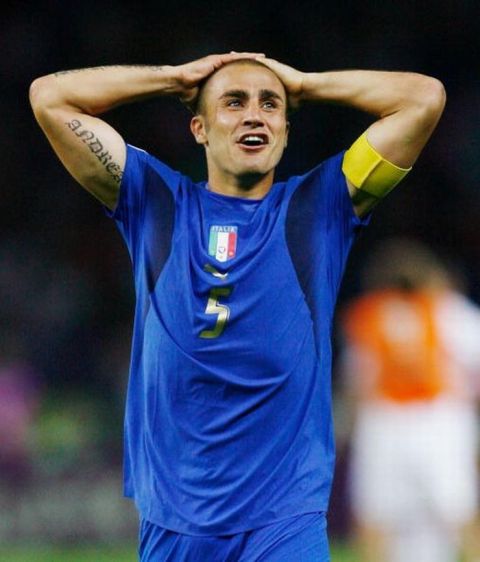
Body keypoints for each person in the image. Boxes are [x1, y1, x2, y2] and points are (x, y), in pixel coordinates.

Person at [29, 52, 445, 561]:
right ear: (199, 129)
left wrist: (306, 83)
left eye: (270, 105)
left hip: (283, 518)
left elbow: (422, 99)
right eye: (234, 102)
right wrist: (173, 78)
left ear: (286, 132)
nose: (254, 114)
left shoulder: (321, 206)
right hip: (176, 519)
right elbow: (50, 98)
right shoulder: (154, 201)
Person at [336, 237, 480, 562]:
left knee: (383, 516)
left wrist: (347, 430)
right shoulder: (448, 309)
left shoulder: (372, 313)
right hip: (432, 419)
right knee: (453, 512)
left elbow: (357, 381)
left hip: (403, 419)